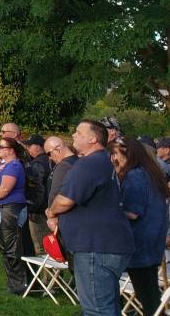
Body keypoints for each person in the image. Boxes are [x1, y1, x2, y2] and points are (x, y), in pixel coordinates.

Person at [46, 119, 132, 316]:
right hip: (107, 245)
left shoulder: (89, 163)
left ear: (93, 139)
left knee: (97, 310)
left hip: (95, 248)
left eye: (78, 132)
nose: (73, 135)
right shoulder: (104, 161)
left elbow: (65, 201)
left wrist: (52, 211)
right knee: (108, 307)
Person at [109, 136, 169, 315]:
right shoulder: (149, 173)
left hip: (140, 245)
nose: (113, 158)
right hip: (151, 243)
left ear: (127, 154)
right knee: (150, 295)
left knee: (148, 297)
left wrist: (108, 209)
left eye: (115, 154)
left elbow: (132, 212)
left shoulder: (135, 175)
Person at [0, 136, 28, 294]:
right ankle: (12, 283)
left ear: (11, 150)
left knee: (11, 248)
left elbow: (5, 189)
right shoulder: (4, 165)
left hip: (9, 209)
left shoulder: (14, 166)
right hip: (1, 209)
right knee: (5, 247)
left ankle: (18, 285)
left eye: (1, 147)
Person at [23, 135, 51, 254]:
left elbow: (37, 189)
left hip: (39, 213)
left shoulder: (37, 164)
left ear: (38, 147)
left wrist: (32, 209)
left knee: (42, 247)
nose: (28, 149)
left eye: (30, 146)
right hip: (51, 209)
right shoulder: (51, 160)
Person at [44, 136, 77, 206]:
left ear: (57, 150)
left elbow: (55, 193)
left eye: (49, 154)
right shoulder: (79, 161)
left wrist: (51, 210)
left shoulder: (63, 166)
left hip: (61, 210)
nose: (49, 158)